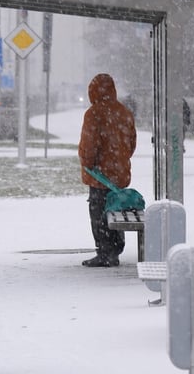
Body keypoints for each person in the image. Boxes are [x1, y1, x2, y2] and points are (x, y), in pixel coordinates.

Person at [78, 74, 137, 267]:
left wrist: (87, 163)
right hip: (119, 173)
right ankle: (116, 248)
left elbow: (88, 146)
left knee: (99, 211)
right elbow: (131, 143)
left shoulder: (94, 113)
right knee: (116, 208)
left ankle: (104, 252)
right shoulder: (124, 112)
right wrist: (119, 159)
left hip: (100, 174)